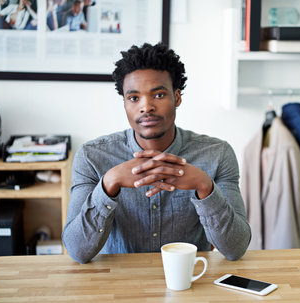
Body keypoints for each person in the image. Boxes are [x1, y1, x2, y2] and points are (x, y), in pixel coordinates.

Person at [62, 42, 251, 264]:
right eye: (134, 98)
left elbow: (236, 248)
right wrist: (108, 184)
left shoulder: (218, 155)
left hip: (189, 284)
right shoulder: (92, 157)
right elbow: (77, 250)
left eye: (159, 95)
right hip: (116, 286)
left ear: (177, 98)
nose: (146, 107)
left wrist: (205, 187)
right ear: (124, 104)